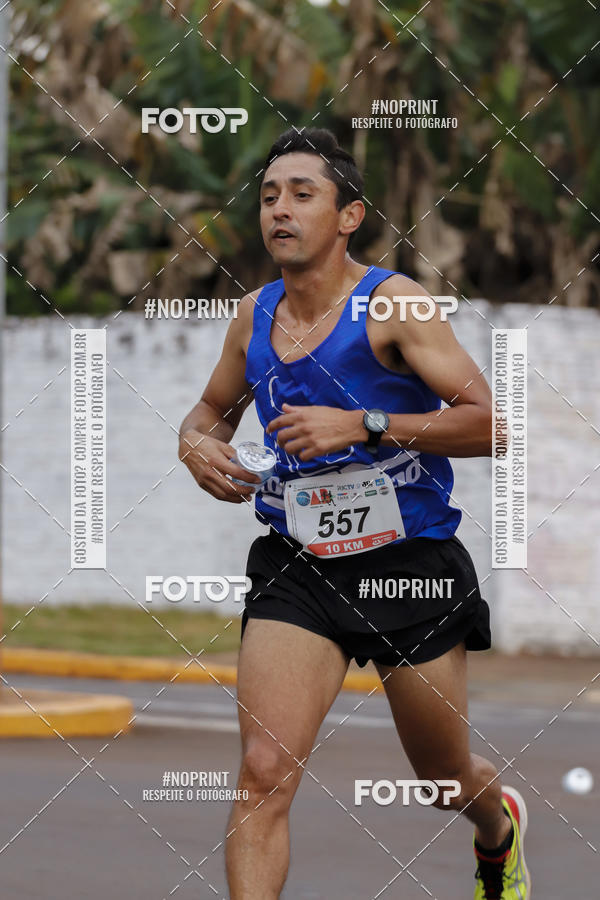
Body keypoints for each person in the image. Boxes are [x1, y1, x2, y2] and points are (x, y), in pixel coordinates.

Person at [178, 128, 530, 900]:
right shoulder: (254, 314)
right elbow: (209, 411)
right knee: (264, 773)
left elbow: (492, 425)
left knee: (444, 780)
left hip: (409, 566)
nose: (280, 209)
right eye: (270, 195)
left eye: (303, 194)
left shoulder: (394, 304)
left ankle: (497, 825)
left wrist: (366, 423)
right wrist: (194, 446)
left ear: (348, 216)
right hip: (298, 565)